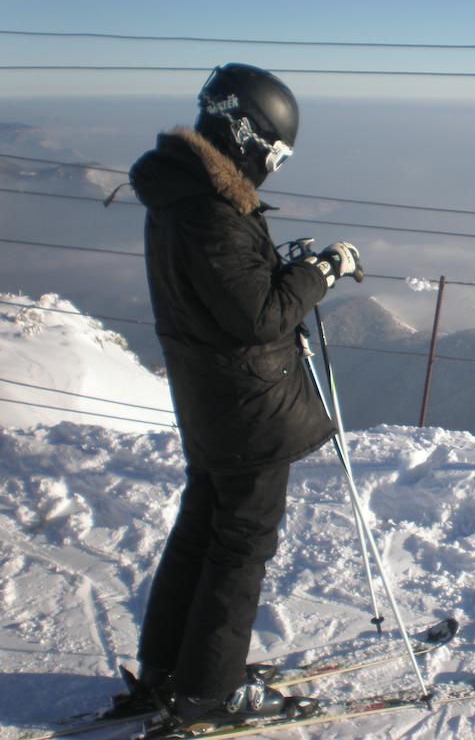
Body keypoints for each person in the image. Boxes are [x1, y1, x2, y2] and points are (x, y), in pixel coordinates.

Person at [126, 63, 360, 728]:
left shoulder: (181, 195)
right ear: (247, 137)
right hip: (246, 408)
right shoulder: (213, 212)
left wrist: (280, 267)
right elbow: (259, 317)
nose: (274, 168)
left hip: (207, 398)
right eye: (275, 154)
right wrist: (322, 272)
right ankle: (209, 692)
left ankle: (172, 667)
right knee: (241, 545)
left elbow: (225, 296)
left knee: (204, 527)